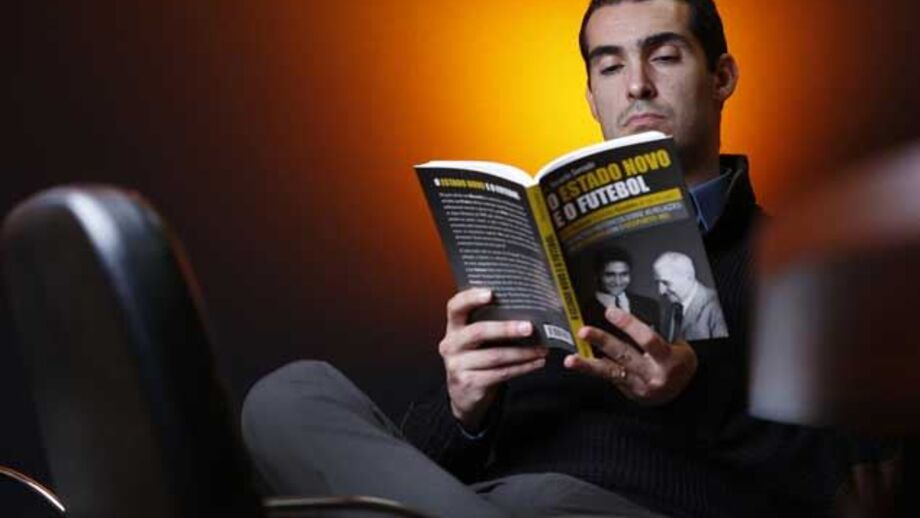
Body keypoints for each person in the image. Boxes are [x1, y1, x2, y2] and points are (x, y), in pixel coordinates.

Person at [241, 1, 898, 516]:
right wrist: (463, 408)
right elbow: (402, 469)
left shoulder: (798, 265)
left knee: (538, 497)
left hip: (631, 509)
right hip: (486, 501)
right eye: (610, 67)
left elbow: (863, 491)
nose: (636, 86)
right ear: (591, 99)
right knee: (288, 396)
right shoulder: (536, 249)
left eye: (664, 57)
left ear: (721, 77)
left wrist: (695, 398)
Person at [584, 247, 661, 336]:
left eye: (624, 274)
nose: (618, 282)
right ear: (597, 276)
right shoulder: (585, 312)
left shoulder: (650, 305)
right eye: (610, 275)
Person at [653, 251, 726, 340]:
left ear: (689, 277)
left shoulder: (717, 307)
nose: (661, 291)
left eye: (666, 283)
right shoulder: (667, 306)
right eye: (657, 282)